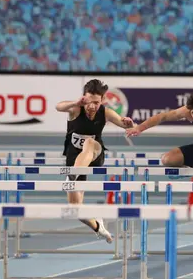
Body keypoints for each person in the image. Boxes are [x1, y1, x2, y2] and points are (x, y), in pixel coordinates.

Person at [56, 79, 135, 243]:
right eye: (89, 102)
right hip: (75, 158)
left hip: (95, 153)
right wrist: (75, 103)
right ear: (83, 99)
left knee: (90, 143)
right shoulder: (76, 109)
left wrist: (128, 123)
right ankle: (98, 226)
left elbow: (124, 123)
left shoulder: (105, 112)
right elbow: (58, 106)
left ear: (102, 100)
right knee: (75, 208)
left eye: (96, 102)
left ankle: (73, 175)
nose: (92, 106)